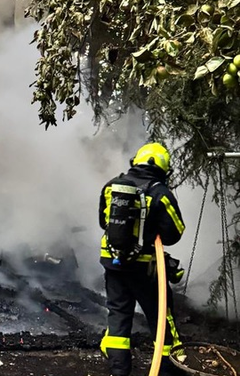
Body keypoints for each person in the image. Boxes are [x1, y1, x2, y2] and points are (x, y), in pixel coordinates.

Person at [99, 142, 186, 376]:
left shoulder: (112, 186)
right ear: (163, 168)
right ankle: (168, 369)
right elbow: (174, 233)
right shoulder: (160, 192)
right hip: (146, 267)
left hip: (113, 263)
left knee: (118, 315)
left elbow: (103, 222)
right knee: (161, 317)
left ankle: (119, 370)